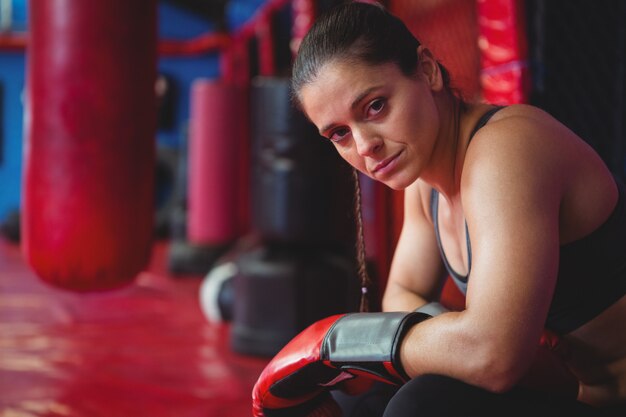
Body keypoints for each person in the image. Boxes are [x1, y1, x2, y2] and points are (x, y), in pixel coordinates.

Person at [252, 2, 626, 416]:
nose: (364, 146)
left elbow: (491, 357)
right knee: (364, 398)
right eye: (340, 134)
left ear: (427, 70)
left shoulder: (508, 150)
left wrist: (346, 342)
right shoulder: (424, 178)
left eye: (375, 106)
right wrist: (431, 341)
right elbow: (401, 296)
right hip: (576, 394)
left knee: (422, 403)